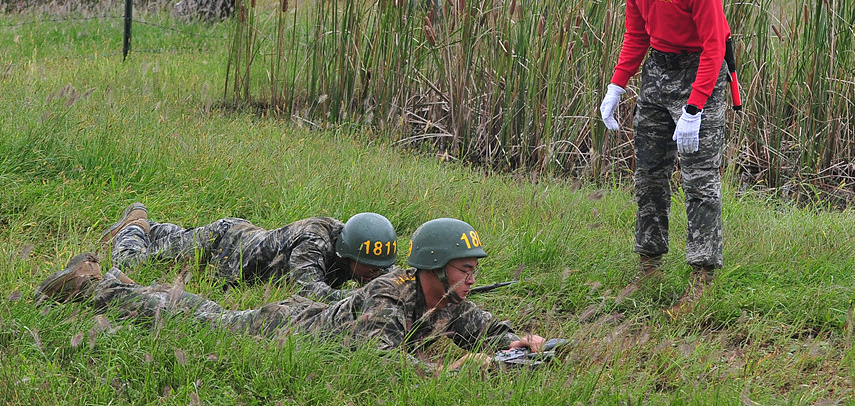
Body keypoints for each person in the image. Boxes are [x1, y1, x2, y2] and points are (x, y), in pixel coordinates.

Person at [36, 218, 545, 374]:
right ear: (432, 268)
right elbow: (382, 362)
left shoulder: (448, 301)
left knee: (201, 314)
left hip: (312, 317)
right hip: (289, 327)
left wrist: (521, 342)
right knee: (198, 319)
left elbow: (484, 325)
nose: (471, 281)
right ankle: (95, 285)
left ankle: (116, 282)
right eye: (463, 269)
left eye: (475, 271)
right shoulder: (387, 299)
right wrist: (458, 371)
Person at [591, 0, 732, 314]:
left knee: (699, 180)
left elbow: (714, 47)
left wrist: (695, 108)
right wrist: (617, 85)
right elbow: (637, 32)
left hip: (699, 73)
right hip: (657, 70)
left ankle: (702, 278)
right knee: (649, 175)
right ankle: (649, 268)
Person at [100, 203, 397, 301]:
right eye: (369, 268)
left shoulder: (360, 245)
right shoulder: (314, 241)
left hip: (241, 237)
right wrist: (367, 295)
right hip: (224, 248)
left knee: (175, 240)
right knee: (134, 261)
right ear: (347, 254)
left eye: (378, 268)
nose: (374, 274)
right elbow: (310, 292)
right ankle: (133, 226)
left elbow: (392, 278)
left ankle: (150, 224)